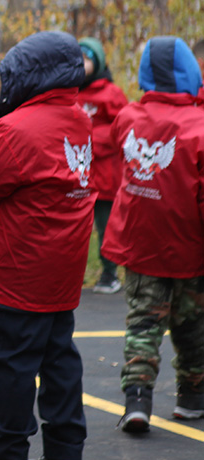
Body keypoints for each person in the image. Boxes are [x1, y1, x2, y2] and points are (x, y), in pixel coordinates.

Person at [0, 30, 94, 460]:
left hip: (16, 277)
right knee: (60, 363)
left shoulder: (18, 129)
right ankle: (66, 452)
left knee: (13, 372)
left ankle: (9, 454)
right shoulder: (78, 119)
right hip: (59, 276)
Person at [101, 36, 204, 433]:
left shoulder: (128, 117)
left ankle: (137, 400)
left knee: (143, 324)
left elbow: (117, 143)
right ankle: (192, 397)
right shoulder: (199, 125)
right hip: (190, 249)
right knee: (193, 328)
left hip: (140, 245)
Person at [75, 37, 129, 294]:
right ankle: (72, 272)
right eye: (79, 59)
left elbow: (124, 129)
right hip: (79, 175)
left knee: (106, 226)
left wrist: (90, 138)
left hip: (106, 175)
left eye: (87, 59)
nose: (82, 64)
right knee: (75, 226)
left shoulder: (111, 93)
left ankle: (110, 273)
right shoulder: (72, 92)